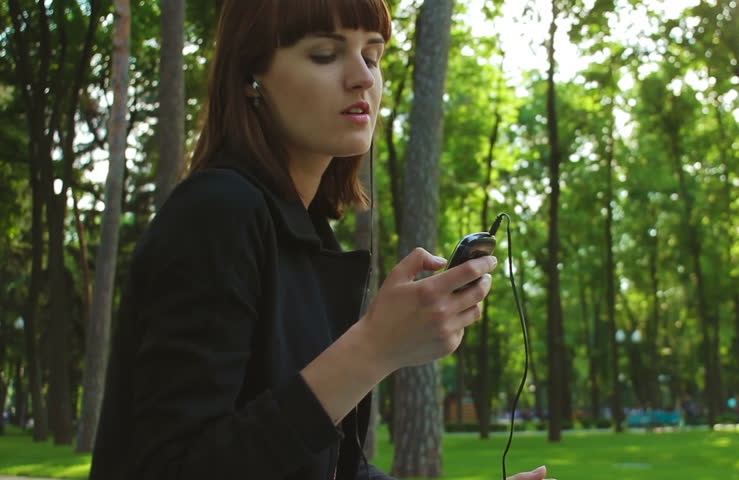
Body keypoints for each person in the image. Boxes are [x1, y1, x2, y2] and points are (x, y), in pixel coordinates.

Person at [89, 1, 554, 479]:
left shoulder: (308, 236)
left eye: (372, 57)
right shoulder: (217, 213)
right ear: (253, 76)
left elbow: (336, 469)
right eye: (326, 55)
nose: (363, 79)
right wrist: (372, 348)